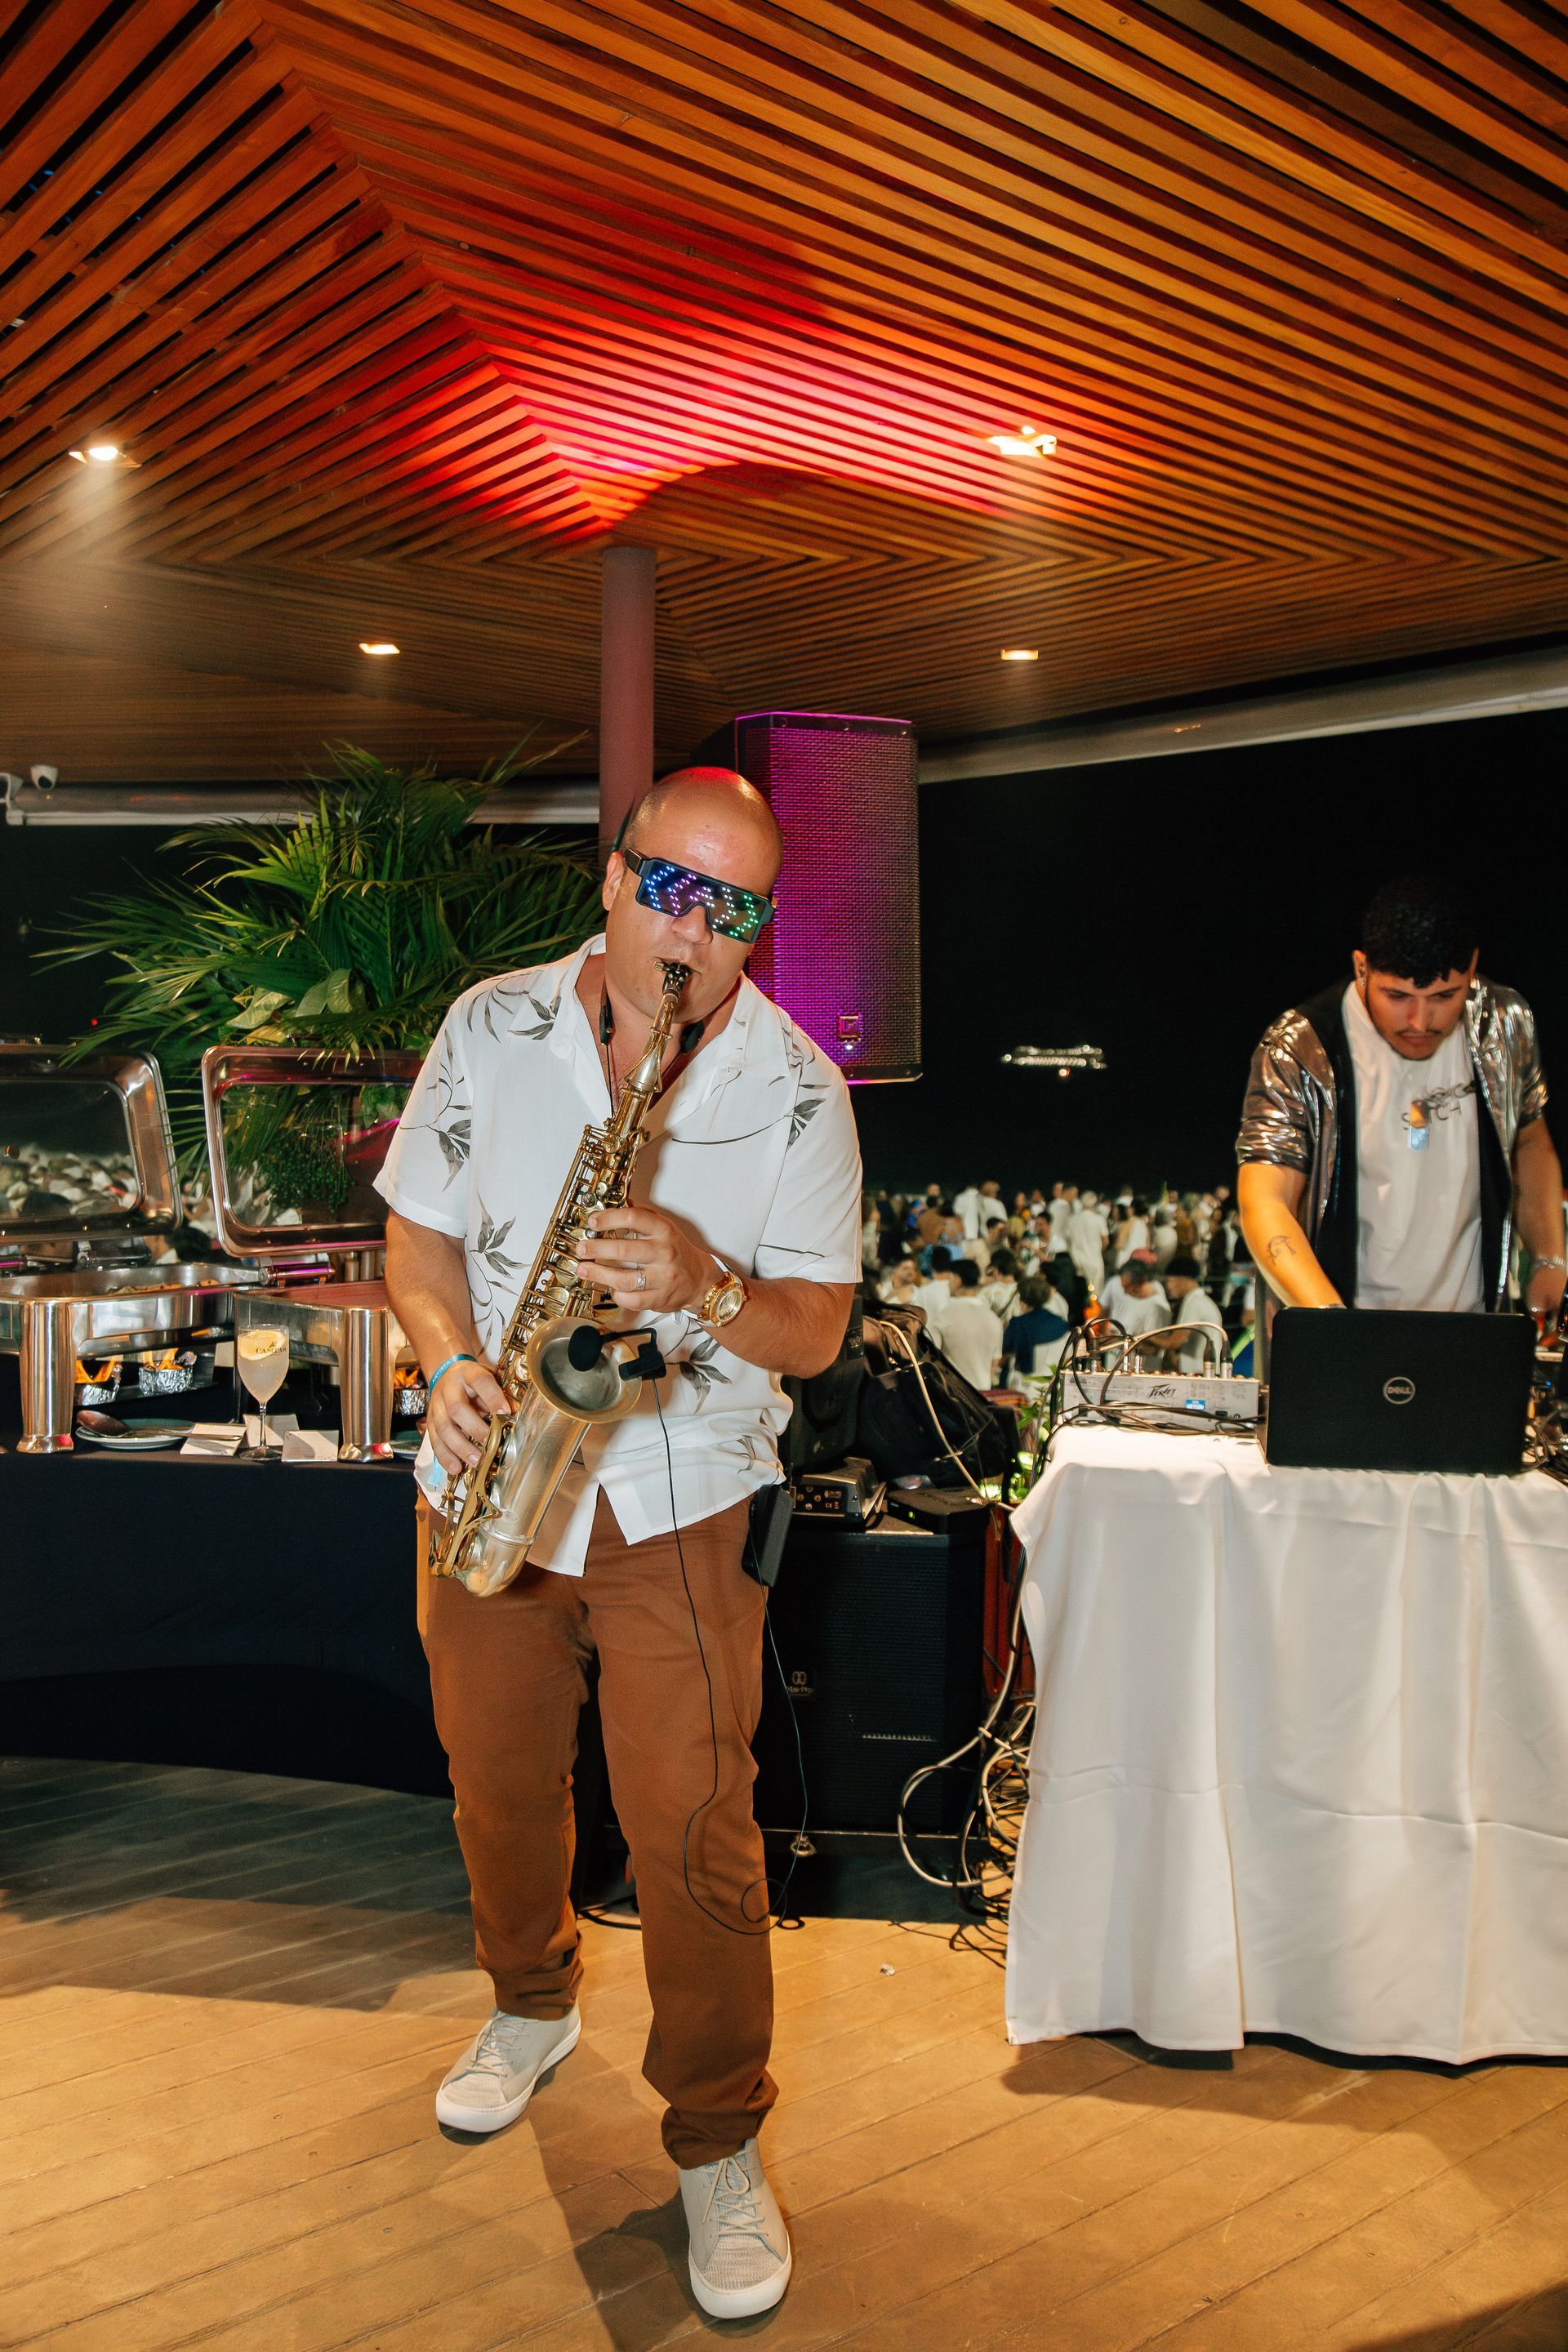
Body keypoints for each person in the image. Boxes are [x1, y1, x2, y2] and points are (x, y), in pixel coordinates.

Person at [381, 767, 862, 2321]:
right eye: (673, 887)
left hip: (682, 1492)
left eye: (738, 911)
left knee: (691, 1829)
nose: (696, 932)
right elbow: (419, 1234)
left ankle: (718, 2136)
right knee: (497, 1779)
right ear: (612, 876)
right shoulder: (490, 1027)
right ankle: (530, 2000)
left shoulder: (799, 1090)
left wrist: (709, 1280)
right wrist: (449, 1359)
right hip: (496, 1472)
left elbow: (817, 1329)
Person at [1236, 874, 1565, 1323]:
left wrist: (1549, 1259)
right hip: (1343, 1328)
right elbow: (1265, 1198)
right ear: (1361, 967)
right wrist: (1330, 1321)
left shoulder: (1503, 1023)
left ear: (1472, 967)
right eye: (1397, 995)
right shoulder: (1301, 1048)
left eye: (1444, 996)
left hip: (1470, 1332)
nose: (1419, 1020)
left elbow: (1530, 1142)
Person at [1138, 1254, 1226, 1370]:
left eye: (1170, 1281)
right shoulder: (1196, 1300)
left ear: (1184, 1280)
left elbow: (1174, 1342)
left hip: (1203, 1373)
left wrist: (1145, 1336)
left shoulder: (1196, 1303)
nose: (1168, 1287)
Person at [933, 1258, 1004, 1390]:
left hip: (953, 1394)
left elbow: (933, 1359)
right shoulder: (994, 1319)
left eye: (950, 1280)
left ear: (958, 1280)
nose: (948, 1285)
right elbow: (995, 1362)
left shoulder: (944, 1316)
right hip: (983, 1394)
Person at [1003, 1274, 1071, 1380]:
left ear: (1023, 1301)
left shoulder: (1018, 1324)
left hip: (1024, 1385)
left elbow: (1005, 1352)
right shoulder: (1061, 1323)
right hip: (1054, 1381)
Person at [1100, 1255, 1168, 1339]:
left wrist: (1118, 1341)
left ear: (1141, 1282)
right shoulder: (1133, 1299)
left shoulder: (1157, 1308)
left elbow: (1152, 1349)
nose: (1125, 1292)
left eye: (1127, 1287)